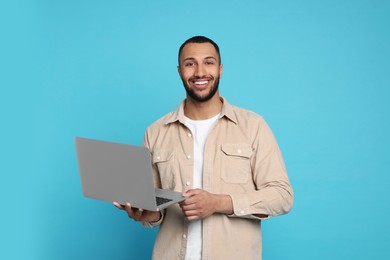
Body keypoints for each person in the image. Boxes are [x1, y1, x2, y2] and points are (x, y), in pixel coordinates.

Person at [114, 36, 293, 260]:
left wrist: (219, 203)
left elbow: (282, 196)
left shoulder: (253, 126)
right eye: (190, 63)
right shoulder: (155, 132)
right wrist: (148, 215)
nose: (200, 72)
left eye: (208, 62)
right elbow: (154, 205)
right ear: (180, 71)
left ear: (220, 69)